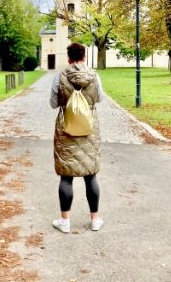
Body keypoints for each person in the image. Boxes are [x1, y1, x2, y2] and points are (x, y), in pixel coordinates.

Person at [49, 42, 104, 233]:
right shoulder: (94, 76)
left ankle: (65, 222)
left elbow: (53, 104)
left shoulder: (60, 76)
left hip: (66, 130)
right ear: (84, 57)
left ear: (69, 58)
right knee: (91, 176)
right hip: (89, 129)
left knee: (66, 177)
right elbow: (99, 99)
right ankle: (95, 220)